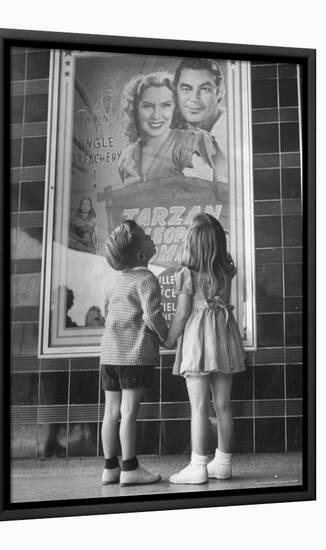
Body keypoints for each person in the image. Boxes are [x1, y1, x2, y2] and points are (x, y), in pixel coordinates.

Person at [164, 213, 246, 484]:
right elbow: (224, 302)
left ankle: (198, 465)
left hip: (198, 341)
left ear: (192, 244)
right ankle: (223, 462)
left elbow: (182, 313)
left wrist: (170, 339)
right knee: (223, 404)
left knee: (199, 407)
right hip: (224, 337)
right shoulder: (226, 270)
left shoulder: (187, 274)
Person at [100, 220, 167, 486]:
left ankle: (109, 467)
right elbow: (152, 316)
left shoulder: (114, 282)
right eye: (146, 236)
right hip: (134, 355)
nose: (151, 237)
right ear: (141, 255)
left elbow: (108, 314)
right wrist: (166, 337)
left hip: (109, 355)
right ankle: (130, 467)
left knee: (110, 412)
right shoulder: (146, 278)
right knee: (129, 412)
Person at [118, 72, 216, 186]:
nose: (156, 115)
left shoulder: (192, 142)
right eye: (147, 106)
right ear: (136, 109)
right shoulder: (128, 155)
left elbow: (208, 195)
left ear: (176, 107)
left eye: (166, 105)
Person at [173, 58, 227, 182]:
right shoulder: (173, 129)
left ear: (219, 92)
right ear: (176, 93)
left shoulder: (231, 130)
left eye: (204, 89)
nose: (194, 99)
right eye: (186, 89)